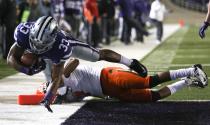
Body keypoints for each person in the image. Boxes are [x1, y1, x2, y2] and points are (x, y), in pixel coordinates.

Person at [7, 16, 147, 112]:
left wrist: (48, 98)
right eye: (35, 41)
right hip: (49, 52)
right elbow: (10, 58)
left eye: (41, 44)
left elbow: (57, 77)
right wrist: (27, 70)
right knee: (44, 73)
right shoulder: (23, 32)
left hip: (67, 44)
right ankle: (61, 93)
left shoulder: (61, 47)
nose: (37, 47)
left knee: (96, 55)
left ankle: (130, 62)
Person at [52, 58, 208, 104]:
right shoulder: (69, 92)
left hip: (108, 76)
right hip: (111, 92)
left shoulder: (63, 72)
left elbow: (75, 61)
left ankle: (192, 69)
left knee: (149, 81)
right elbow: (83, 93)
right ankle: (187, 81)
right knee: (153, 97)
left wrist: (62, 75)